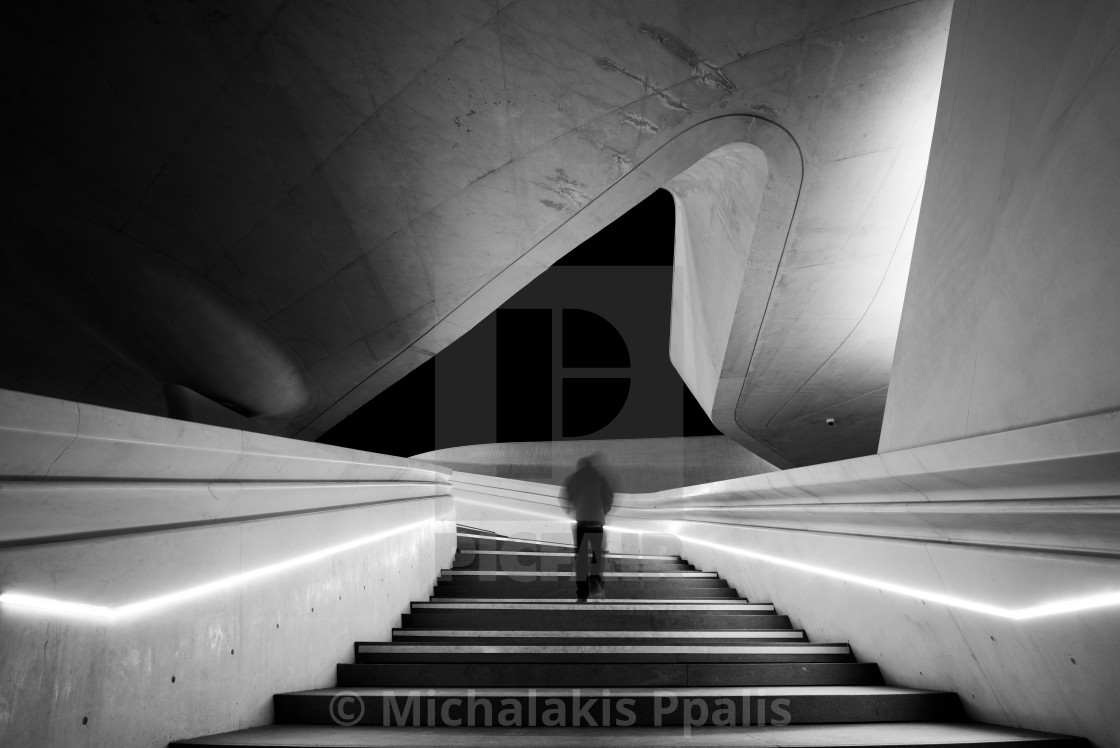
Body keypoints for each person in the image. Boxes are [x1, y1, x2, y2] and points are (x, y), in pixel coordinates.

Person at [562, 454, 614, 602]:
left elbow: (567, 496)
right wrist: (603, 511)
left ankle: (582, 592)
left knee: (581, 558)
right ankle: (596, 584)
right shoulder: (600, 478)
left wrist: (575, 509)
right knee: (597, 555)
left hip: (582, 522)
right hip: (597, 522)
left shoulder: (575, 478)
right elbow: (609, 497)